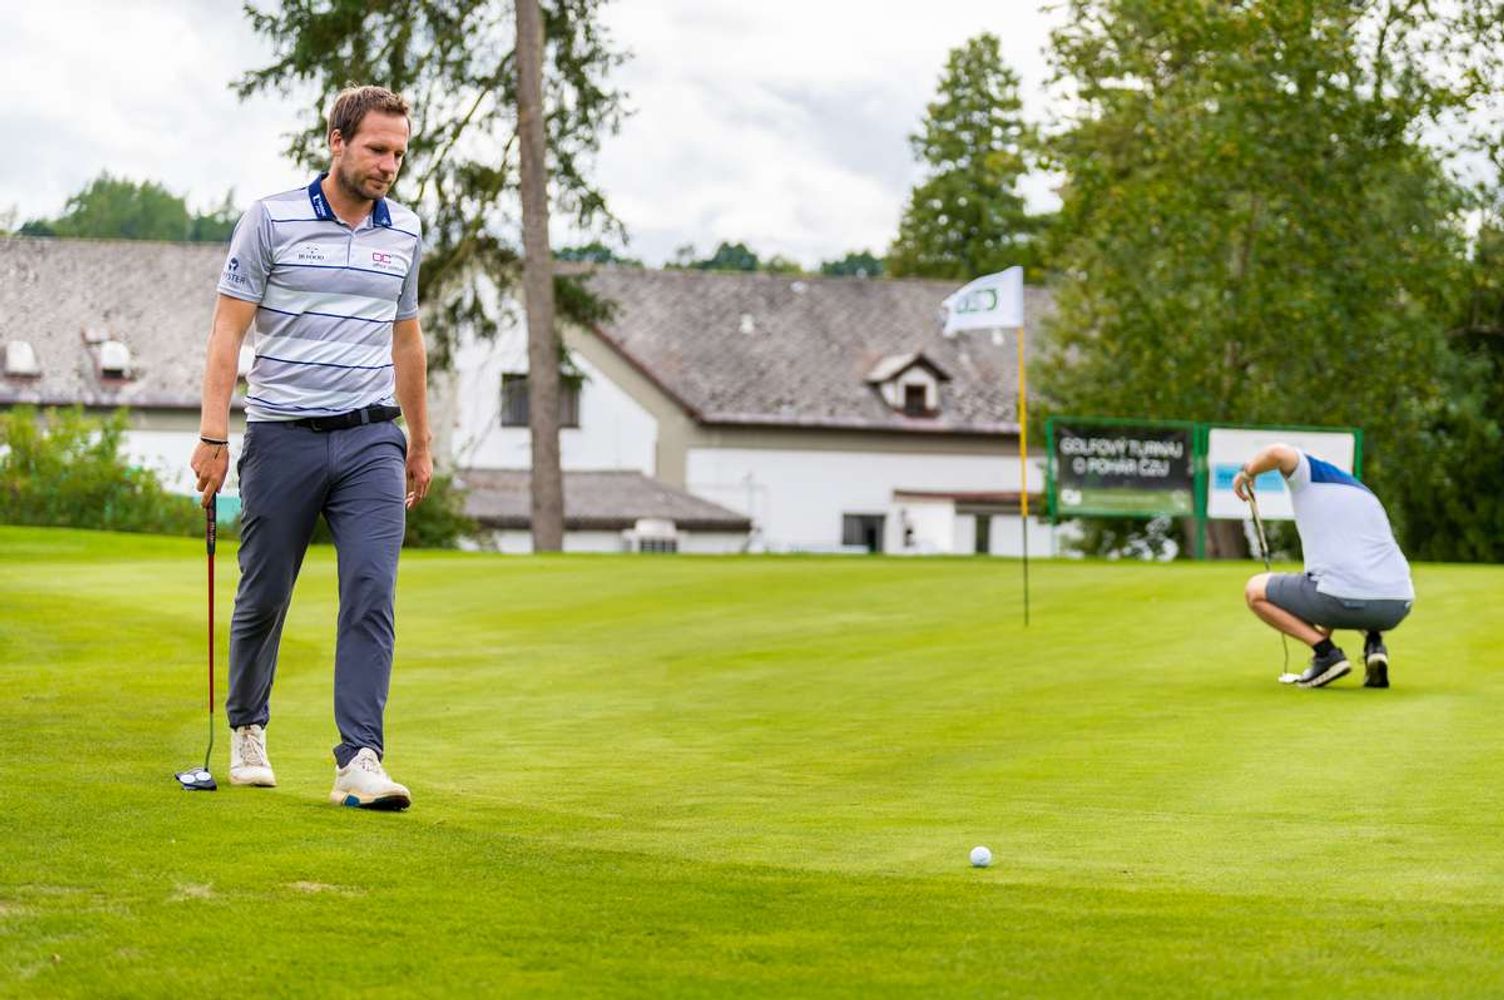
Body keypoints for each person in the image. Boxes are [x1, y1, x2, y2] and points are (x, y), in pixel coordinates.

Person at [191, 85, 432, 809]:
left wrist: (419, 441)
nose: (388, 165)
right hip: (282, 435)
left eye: (398, 153)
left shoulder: (405, 231)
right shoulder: (271, 220)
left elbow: (407, 339)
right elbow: (228, 331)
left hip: (371, 439)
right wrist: (213, 434)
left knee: (371, 592)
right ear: (337, 140)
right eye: (376, 149)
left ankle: (360, 758)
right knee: (265, 595)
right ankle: (248, 728)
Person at [1235, 444, 1414, 689]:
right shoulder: (1365, 495)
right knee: (1353, 586)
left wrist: (1247, 472)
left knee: (1255, 590)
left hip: (1339, 599)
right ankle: (1375, 645)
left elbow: (1278, 453)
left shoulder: (1310, 473)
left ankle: (1326, 654)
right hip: (1397, 605)